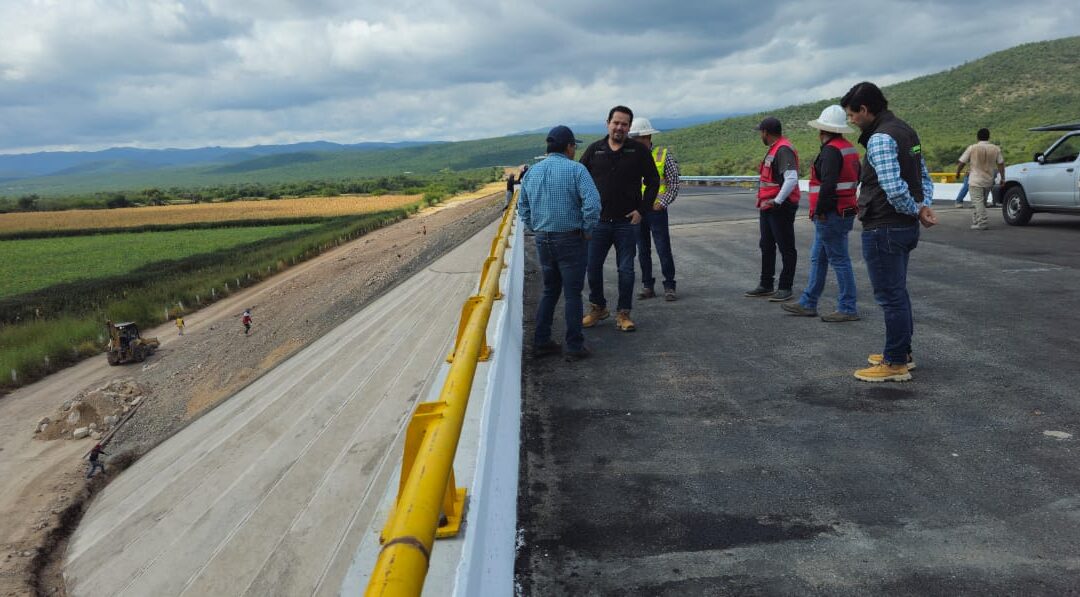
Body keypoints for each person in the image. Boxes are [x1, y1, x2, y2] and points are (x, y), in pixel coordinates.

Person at [841, 81, 937, 382]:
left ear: (865, 110)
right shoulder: (906, 131)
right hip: (903, 227)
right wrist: (922, 206)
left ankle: (895, 362)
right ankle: (901, 352)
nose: (851, 121)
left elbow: (894, 188)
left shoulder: (881, 139)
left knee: (889, 296)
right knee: (898, 292)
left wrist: (913, 208)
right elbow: (923, 175)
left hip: (884, 226)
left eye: (852, 115)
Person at [518, 125, 601, 362]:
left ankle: (541, 341)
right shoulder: (577, 170)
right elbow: (593, 204)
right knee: (573, 294)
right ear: (569, 146)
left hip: (543, 239)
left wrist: (536, 227)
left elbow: (522, 207)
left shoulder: (532, 172)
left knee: (550, 290)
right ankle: (574, 345)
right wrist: (587, 229)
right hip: (571, 239)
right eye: (574, 146)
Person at [580, 106, 661, 332]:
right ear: (607, 123)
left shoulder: (638, 151)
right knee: (592, 267)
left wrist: (642, 210)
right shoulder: (594, 150)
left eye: (624, 124)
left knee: (626, 270)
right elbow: (578, 180)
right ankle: (598, 308)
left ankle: (623, 314)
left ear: (629, 127)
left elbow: (653, 181)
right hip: (599, 222)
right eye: (616, 122)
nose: (619, 127)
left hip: (627, 223)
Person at [781, 105, 861, 322]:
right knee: (819, 258)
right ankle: (808, 302)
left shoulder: (830, 151)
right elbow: (856, 178)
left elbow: (828, 185)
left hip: (830, 214)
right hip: (845, 210)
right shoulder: (849, 148)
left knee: (839, 260)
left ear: (822, 131)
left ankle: (847, 307)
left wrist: (822, 211)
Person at [744, 116, 800, 302]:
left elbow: (791, 178)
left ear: (766, 133)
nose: (761, 134)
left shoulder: (783, 149)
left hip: (779, 207)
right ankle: (766, 284)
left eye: (761, 131)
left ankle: (785, 287)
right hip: (768, 206)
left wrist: (777, 201)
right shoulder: (774, 149)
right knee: (766, 245)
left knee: (786, 247)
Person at [629, 117, 680, 302]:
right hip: (637, 212)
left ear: (648, 137)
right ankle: (647, 286)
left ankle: (669, 286)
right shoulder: (629, 156)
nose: (635, 141)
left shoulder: (662, 155)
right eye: (633, 138)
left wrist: (663, 202)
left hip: (656, 211)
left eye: (638, 138)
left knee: (662, 248)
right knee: (642, 250)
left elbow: (674, 182)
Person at [956, 129, 1005, 230]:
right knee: (981, 202)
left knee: (977, 202)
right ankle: (977, 221)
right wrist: (1003, 178)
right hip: (988, 180)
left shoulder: (972, 148)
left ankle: (982, 222)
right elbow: (1000, 164)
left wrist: (957, 172)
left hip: (975, 179)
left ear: (977, 137)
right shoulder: (995, 148)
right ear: (989, 137)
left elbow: (962, 162)